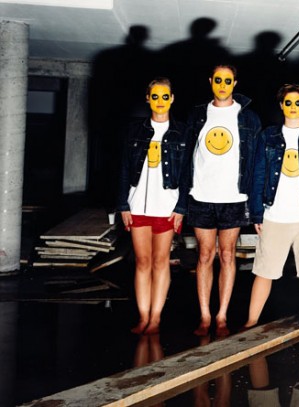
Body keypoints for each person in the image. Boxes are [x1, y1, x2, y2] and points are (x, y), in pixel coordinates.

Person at [244, 84, 299, 339]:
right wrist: (257, 212)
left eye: (298, 103)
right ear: (281, 105)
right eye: (288, 103)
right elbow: (258, 174)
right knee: (264, 271)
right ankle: (251, 321)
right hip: (275, 215)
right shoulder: (268, 136)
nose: (293, 107)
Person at [184, 64, 262, 337]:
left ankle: (222, 316)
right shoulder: (197, 114)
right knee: (205, 255)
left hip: (234, 197)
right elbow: (187, 155)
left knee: (228, 255)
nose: (222, 85)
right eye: (218, 79)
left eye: (227, 80)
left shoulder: (248, 117)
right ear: (210, 81)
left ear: (234, 83)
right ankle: (205, 316)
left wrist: (255, 203)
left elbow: (255, 162)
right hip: (201, 196)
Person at [117, 77, 188, 334]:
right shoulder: (134, 130)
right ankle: (143, 316)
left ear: (172, 99)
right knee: (142, 262)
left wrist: (181, 208)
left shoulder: (182, 131)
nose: (160, 101)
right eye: (155, 96)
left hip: (166, 207)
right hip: (137, 206)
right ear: (148, 99)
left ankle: (156, 318)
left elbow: (186, 173)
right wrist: (123, 204)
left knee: (161, 261)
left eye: (165, 96)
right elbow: (124, 168)